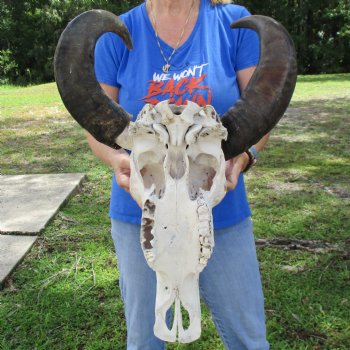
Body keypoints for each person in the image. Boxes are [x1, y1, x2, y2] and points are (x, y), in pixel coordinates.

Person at [88, 0, 270, 349]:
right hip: (140, 213)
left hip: (222, 211)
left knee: (248, 338)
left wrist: (245, 157)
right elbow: (96, 127)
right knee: (144, 340)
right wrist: (116, 160)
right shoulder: (116, 36)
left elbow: (262, 107)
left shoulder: (234, 24)